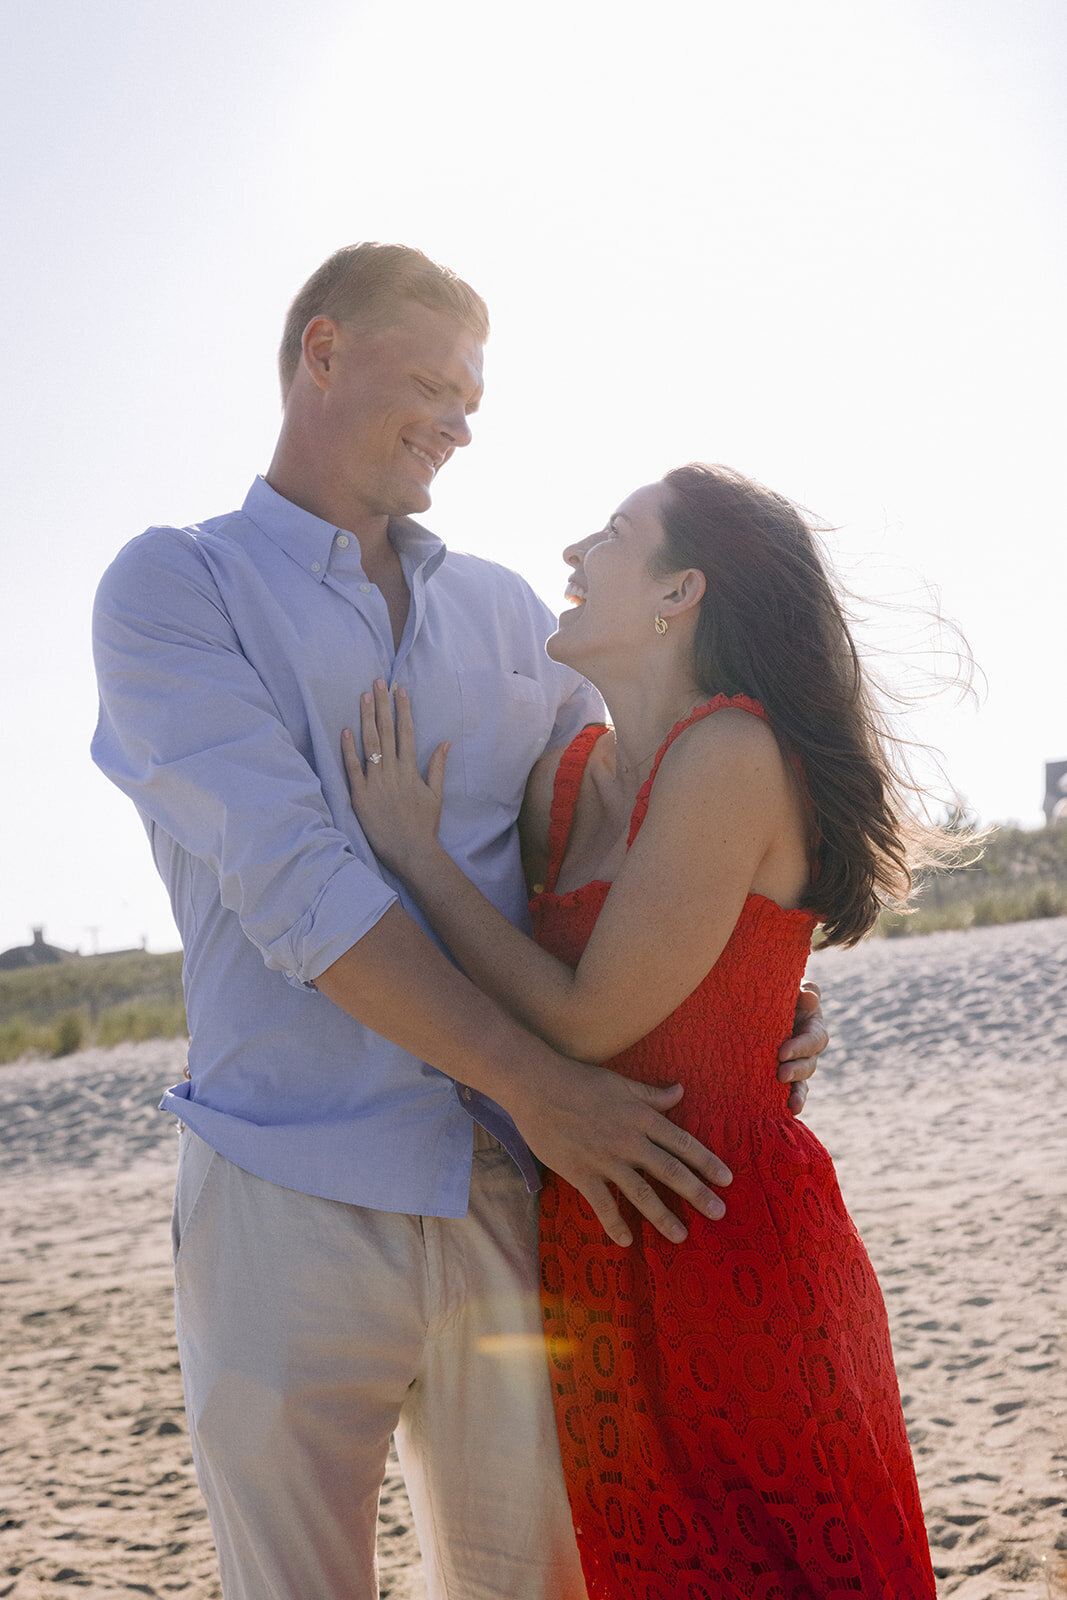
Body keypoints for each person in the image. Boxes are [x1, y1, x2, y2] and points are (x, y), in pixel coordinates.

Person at [90, 243, 826, 1600]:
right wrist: (543, 1088)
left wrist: (753, 989)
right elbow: (303, 890)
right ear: (321, 353)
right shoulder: (172, 591)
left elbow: (637, 835)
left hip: (505, 1202)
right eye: (426, 380)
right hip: (284, 1191)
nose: (456, 420)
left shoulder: (504, 616)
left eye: (471, 396)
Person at [345, 465, 940, 1597]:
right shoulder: (558, 782)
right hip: (594, 1266)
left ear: (680, 594)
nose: (572, 552)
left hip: (736, 1241)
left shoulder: (730, 751)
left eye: (612, 535)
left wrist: (417, 856)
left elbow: (583, 1014)